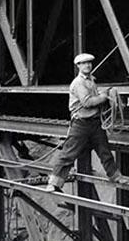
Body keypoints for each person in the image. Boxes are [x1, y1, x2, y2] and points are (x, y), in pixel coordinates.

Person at [43, 52, 124, 191]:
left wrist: (103, 94)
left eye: (89, 63)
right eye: (84, 63)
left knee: (104, 151)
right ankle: (53, 183)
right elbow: (87, 102)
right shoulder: (78, 83)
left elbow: (93, 97)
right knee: (68, 154)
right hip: (81, 124)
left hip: (94, 123)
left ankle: (115, 176)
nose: (87, 65)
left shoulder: (91, 80)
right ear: (78, 66)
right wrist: (104, 97)